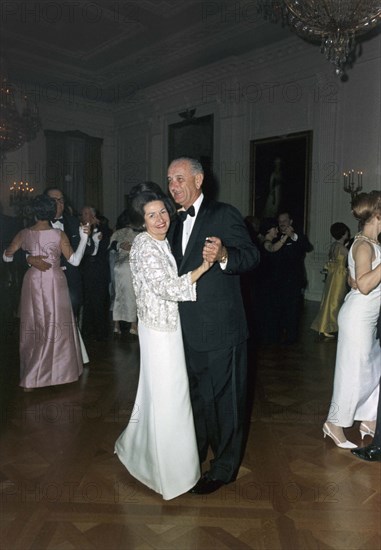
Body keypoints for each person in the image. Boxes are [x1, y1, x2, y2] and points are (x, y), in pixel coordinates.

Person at [167, 157, 260, 494]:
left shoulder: (224, 214)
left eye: (180, 178)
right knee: (196, 399)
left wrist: (223, 256)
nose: (174, 186)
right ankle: (194, 459)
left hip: (222, 328)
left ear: (199, 179)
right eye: (170, 180)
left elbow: (251, 256)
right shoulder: (174, 223)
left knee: (226, 401)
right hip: (186, 329)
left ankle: (224, 468)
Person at [114, 182, 213, 500]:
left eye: (162, 212)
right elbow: (167, 288)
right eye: (151, 215)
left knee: (159, 396)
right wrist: (203, 268)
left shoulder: (160, 241)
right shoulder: (144, 244)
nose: (159, 219)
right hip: (159, 333)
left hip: (165, 328)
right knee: (171, 397)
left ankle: (139, 450)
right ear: (141, 221)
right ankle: (170, 473)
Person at [3, 195, 90, 390]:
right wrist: (84, 239)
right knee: (56, 324)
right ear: (52, 211)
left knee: (35, 325)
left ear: (34, 211)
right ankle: (59, 373)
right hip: (55, 280)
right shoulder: (58, 235)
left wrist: (28, 257)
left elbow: (7, 257)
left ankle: (32, 376)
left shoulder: (24, 233)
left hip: (32, 280)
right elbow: (75, 261)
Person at [323, 191, 381, 448]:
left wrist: (353, 277)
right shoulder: (364, 245)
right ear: (377, 215)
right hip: (358, 318)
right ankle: (334, 423)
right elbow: (366, 285)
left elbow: (357, 279)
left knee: (373, 369)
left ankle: (368, 418)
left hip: (367, 317)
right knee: (353, 374)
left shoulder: (368, 243)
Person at [26, 187, 95, 319]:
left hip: (70, 281)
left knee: (69, 319)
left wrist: (88, 238)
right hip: (44, 280)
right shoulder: (34, 224)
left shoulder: (74, 222)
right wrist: (29, 259)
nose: (59, 203)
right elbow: (18, 250)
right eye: (54, 200)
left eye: (61, 200)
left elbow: (89, 250)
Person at [272, 211, 313, 344]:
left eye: (284, 220)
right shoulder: (274, 236)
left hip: (294, 280)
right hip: (277, 280)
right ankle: (277, 334)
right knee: (278, 308)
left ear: (291, 222)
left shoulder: (298, 236)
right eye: (280, 221)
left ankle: (291, 337)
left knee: (293, 309)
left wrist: (293, 236)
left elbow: (308, 247)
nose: (282, 223)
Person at [311, 222, 350, 338]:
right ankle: (330, 327)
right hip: (339, 276)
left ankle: (326, 326)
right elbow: (351, 259)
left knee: (330, 300)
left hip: (333, 275)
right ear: (343, 234)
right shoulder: (342, 248)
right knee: (335, 302)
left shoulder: (334, 245)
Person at [80, 206, 111, 341]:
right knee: (87, 301)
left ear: (94, 215)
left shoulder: (104, 230)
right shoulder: (79, 230)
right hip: (85, 270)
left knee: (100, 301)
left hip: (99, 270)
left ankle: (102, 333)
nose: (85, 216)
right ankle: (87, 331)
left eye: (88, 213)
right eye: (83, 214)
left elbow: (104, 249)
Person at [109, 209, 138, 336]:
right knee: (131, 295)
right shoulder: (136, 233)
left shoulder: (118, 232)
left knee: (117, 294)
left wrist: (120, 245)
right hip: (129, 266)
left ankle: (116, 325)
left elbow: (111, 246)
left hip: (118, 266)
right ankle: (132, 324)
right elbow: (112, 245)